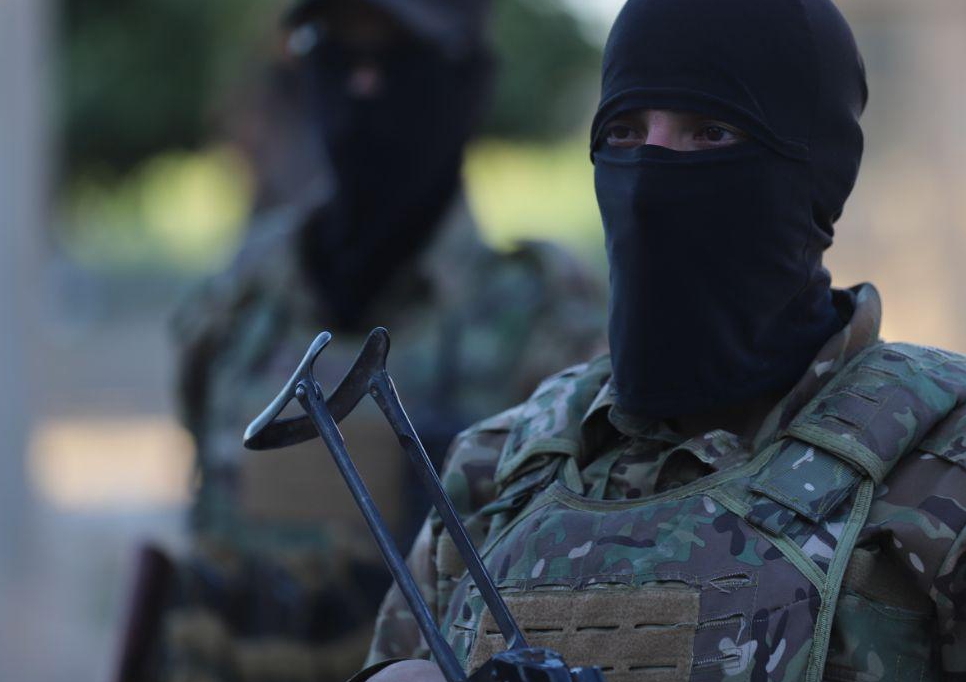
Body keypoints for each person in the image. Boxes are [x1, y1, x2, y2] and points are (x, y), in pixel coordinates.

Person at [360, 0, 966, 680]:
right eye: (623, 134)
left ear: (818, 171)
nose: (649, 179)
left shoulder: (940, 466)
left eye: (710, 133)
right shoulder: (499, 470)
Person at [144, 1, 605, 680]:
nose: (361, 87)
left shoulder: (548, 325)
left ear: (470, 83)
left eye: (397, 59)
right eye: (335, 55)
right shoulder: (239, 307)